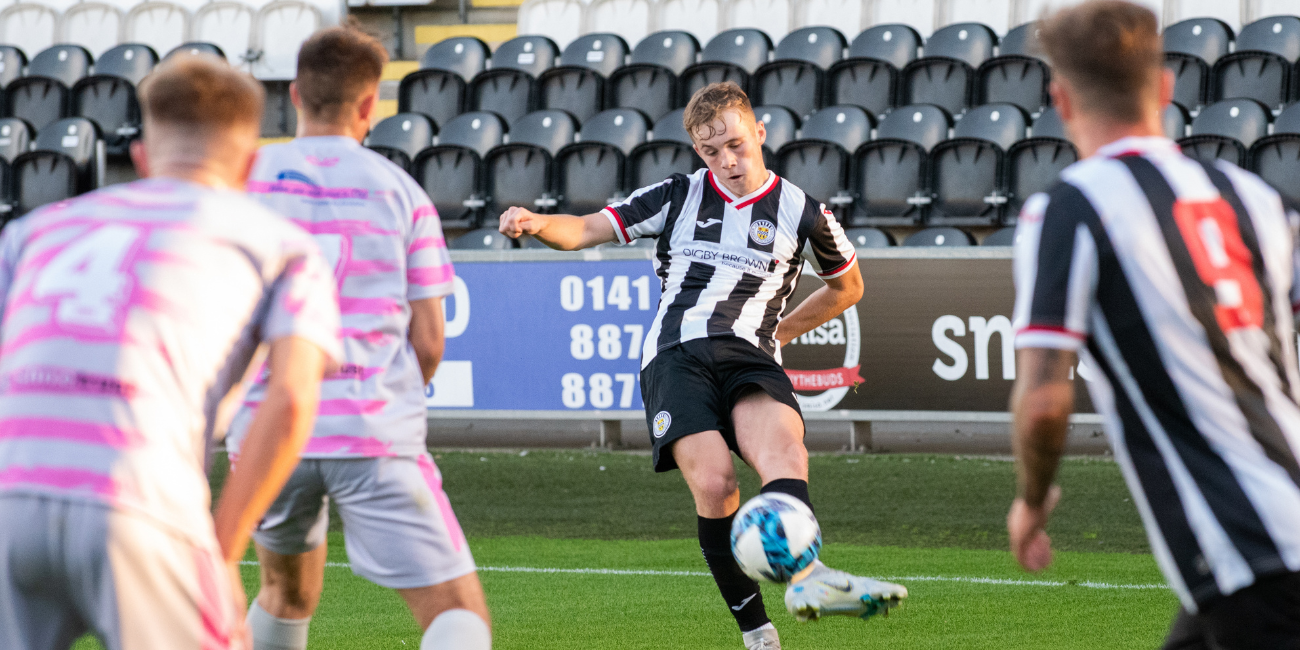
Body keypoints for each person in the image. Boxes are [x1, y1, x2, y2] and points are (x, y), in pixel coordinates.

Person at [499, 81, 907, 650]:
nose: (728, 161)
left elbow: (848, 287)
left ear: (760, 132)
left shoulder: (804, 212)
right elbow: (588, 228)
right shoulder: (675, 195)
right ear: (697, 151)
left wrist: (779, 331)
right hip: (677, 354)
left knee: (785, 454)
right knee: (716, 486)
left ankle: (811, 580)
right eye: (711, 152)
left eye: (736, 145)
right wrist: (538, 223)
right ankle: (758, 633)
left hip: (750, 354)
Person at [0, 55, 342, 650]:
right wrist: (223, 546)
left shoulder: (36, 231)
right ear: (251, 163)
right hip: (140, 500)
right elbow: (291, 396)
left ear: (140, 155)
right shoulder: (278, 245)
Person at [1007, 2, 1300, 648]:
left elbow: (1046, 396)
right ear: (1165, 88)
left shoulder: (1070, 209)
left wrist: (1032, 499)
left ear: (1061, 100)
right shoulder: (1256, 198)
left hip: (1251, 549)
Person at [225, 26, 490, 650]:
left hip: (267, 435)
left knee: (286, 592)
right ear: (372, 105)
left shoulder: (241, 181)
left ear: (293, 95)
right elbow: (428, 338)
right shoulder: (403, 193)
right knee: (458, 614)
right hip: (371, 428)